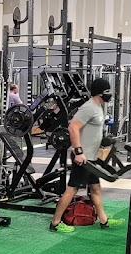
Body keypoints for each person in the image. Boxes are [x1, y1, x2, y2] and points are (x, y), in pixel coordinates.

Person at [49, 78, 124, 233]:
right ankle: (55, 223)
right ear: (99, 92)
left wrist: (102, 140)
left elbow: (91, 131)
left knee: (96, 188)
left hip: (91, 158)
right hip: (83, 158)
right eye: (107, 92)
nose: (110, 94)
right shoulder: (88, 107)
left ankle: (104, 220)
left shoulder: (99, 107)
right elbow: (73, 127)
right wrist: (78, 152)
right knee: (72, 190)